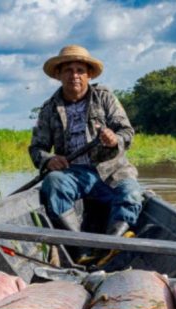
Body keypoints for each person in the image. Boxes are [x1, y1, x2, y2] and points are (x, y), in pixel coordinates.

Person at [30, 45, 142, 237]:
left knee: (131, 192)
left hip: (111, 172)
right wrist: (49, 160)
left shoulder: (105, 98)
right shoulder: (49, 109)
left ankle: (112, 243)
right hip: (72, 175)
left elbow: (126, 131)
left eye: (80, 71)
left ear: (89, 75)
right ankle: (80, 246)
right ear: (58, 75)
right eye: (68, 70)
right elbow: (37, 148)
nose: (74, 75)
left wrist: (115, 140)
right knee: (53, 182)